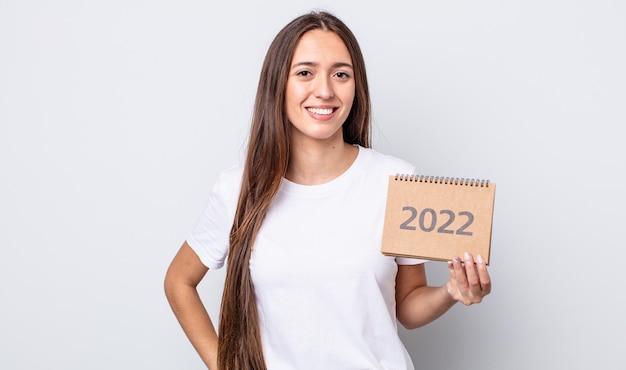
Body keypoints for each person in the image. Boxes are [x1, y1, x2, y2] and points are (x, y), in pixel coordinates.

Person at [164, 10, 491, 370]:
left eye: (341, 75)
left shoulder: (398, 181)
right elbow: (179, 281)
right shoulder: (238, 188)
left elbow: (408, 307)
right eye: (305, 73)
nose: (324, 90)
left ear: (356, 86)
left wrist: (451, 292)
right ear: (279, 84)